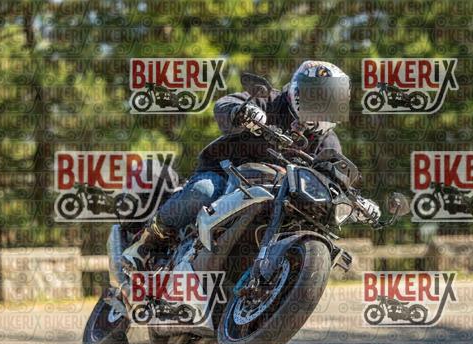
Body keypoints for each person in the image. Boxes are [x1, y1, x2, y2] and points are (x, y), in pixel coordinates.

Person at [122, 60, 380, 271]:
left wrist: (356, 202)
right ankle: (145, 244)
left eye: (329, 100)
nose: (322, 106)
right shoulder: (270, 101)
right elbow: (224, 104)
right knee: (203, 191)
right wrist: (243, 112)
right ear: (299, 92)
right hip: (226, 172)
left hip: (277, 197)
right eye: (317, 97)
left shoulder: (328, 142)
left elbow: (335, 179)